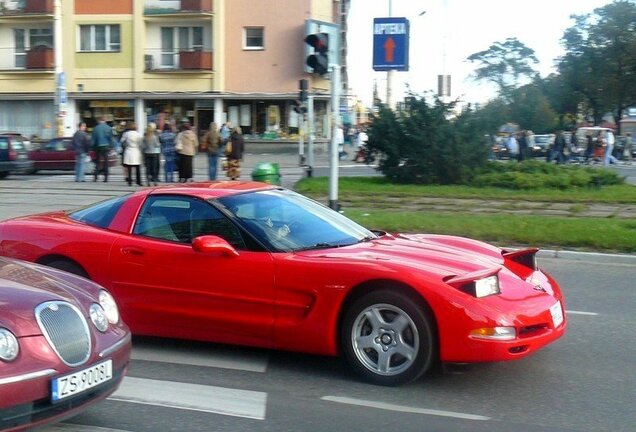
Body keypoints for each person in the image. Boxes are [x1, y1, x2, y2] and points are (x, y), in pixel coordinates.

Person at [91, 116, 114, 182]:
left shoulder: (95, 128)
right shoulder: (109, 128)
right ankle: (106, 178)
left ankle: (96, 177)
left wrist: (92, 147)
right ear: (104, 120)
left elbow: (93, 140)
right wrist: (111, 147)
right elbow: (111, 139)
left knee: (97, 162)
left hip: (98, 147)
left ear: (99, 121)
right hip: (106, 147)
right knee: (106, 162)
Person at [120, 121, 143, 186]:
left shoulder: (126, 134)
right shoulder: (138, 134)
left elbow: (122, 141)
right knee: (137, 167)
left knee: (129, 166)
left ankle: (129, 181)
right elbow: (140, 142)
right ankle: (139, 181)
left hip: (129, 150)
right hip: (136, 150)